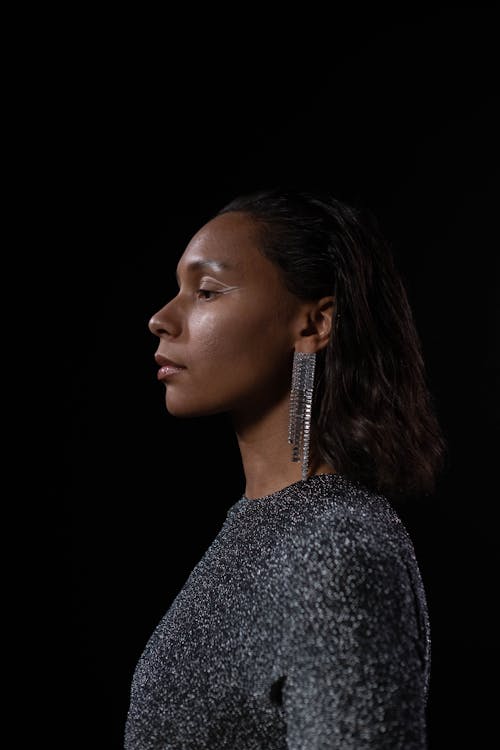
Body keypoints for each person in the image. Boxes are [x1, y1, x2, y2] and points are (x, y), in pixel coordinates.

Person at [124, 186, 446, 749]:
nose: (160, 319)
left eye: (205, 291)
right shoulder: (254, 527)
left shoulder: (338, 550)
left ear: (314, 324)